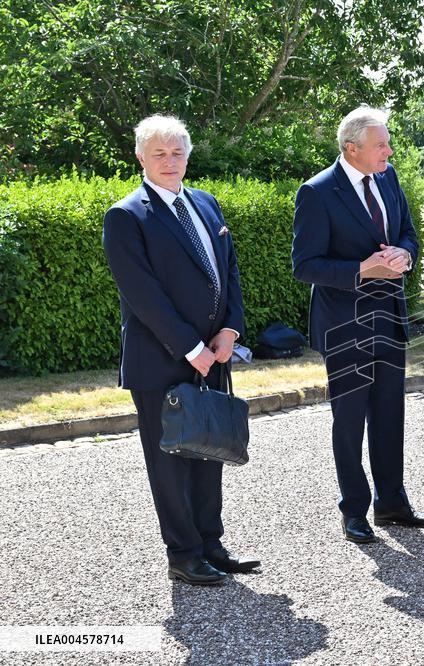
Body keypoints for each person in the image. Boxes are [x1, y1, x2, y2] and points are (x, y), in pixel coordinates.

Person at [102, 114, 259, 586]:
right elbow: (142, 293)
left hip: (215, 354)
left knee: (210, 449)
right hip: (164, 361)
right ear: (140, 157)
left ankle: (211, 543)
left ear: (187, 155)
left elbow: (227, 273)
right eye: (159, 153)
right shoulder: (127, 216)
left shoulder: (207, 205)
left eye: (177, 152)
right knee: (170, 461)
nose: (170, 161)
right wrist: (192, 348)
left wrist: (230, 331)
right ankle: (184, 553)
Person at [291, 106, 424, 544]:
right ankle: (353, 509)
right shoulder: (316, 192)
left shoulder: (390, 178)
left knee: (391, 416)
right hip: (344, 325)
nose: (389, 151)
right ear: (351, 149)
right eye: (381, 145)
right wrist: (361, 269)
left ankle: (392, 502)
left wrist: (405, 256)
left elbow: (410, 233)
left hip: (388, 318)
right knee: (350, 420)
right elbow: (304, 265)